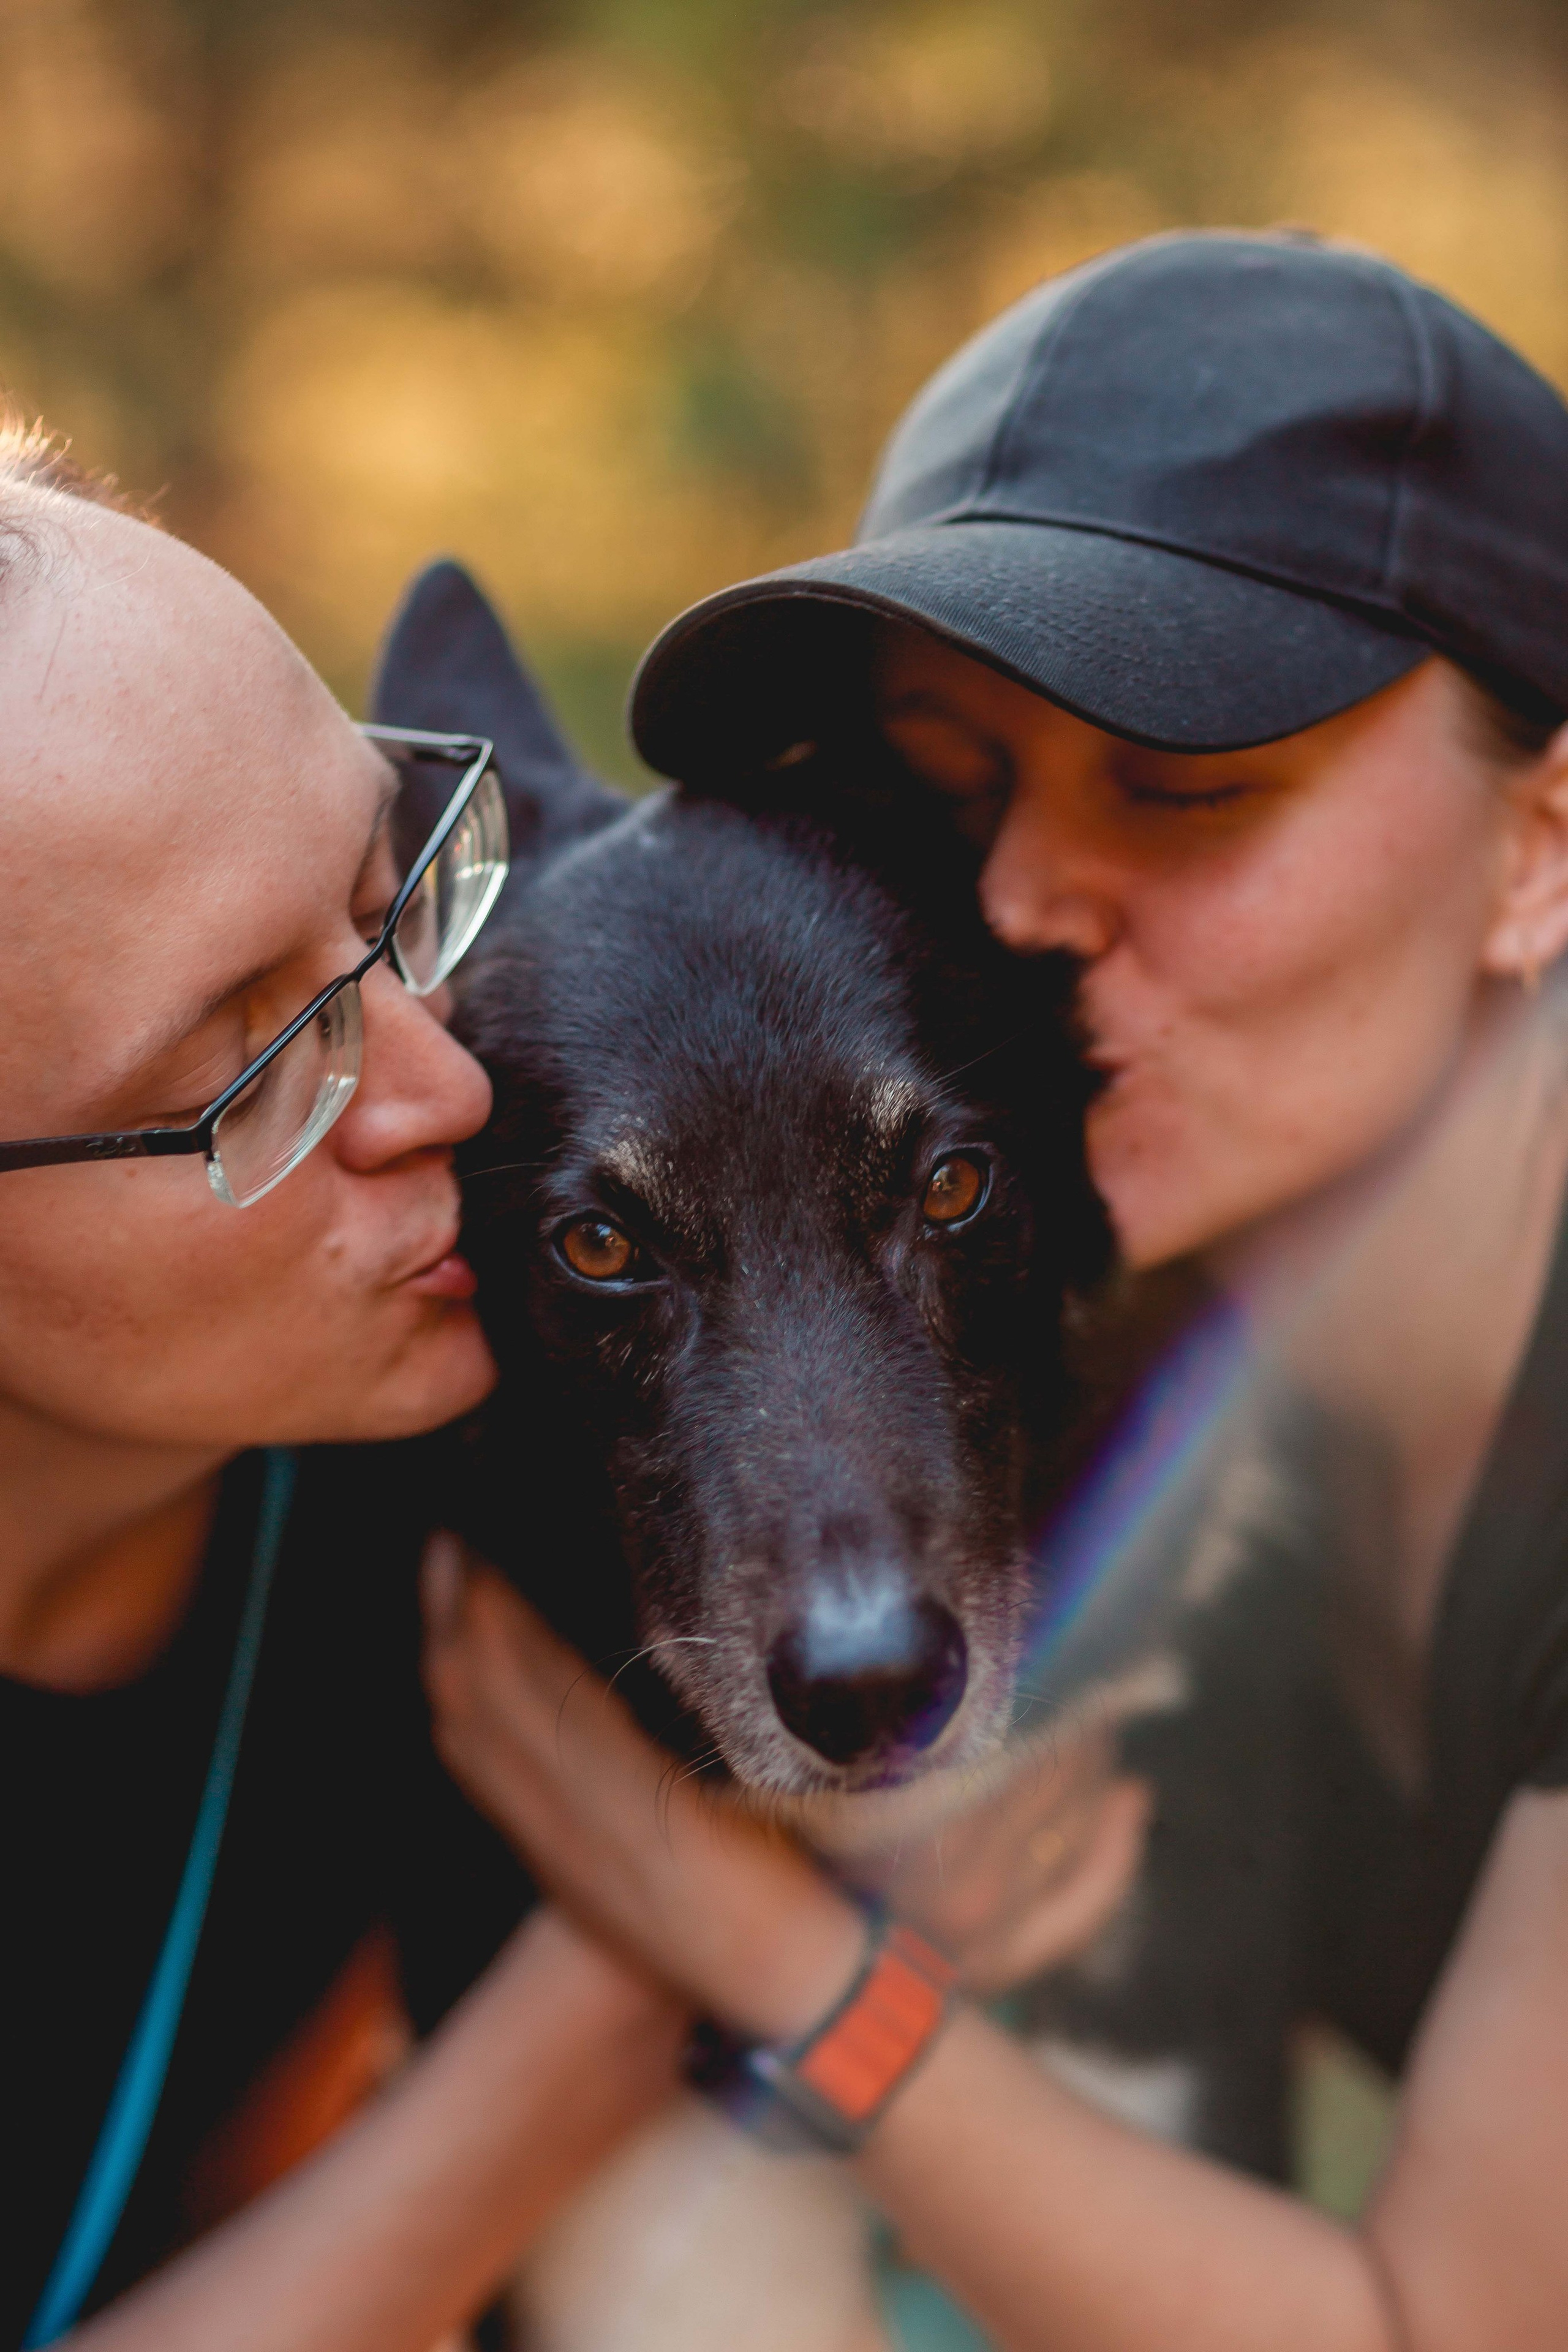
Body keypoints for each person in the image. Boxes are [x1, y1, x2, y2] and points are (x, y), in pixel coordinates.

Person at [421, 233, 1568, 2350]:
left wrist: (755, 1944)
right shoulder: (1196, 1335)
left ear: (1545, 840)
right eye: (958, 801)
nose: (1020, 903)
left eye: (1187, 786)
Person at [0, 429, 687, 2352]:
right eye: (254, 1067)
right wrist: (598, 2015)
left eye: (395, 890)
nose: (449, 1088)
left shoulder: (527, 1390)